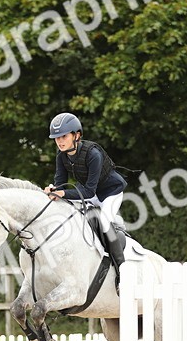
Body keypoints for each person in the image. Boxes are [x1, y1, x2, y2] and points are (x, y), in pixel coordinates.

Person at [42, 112, 128, 281]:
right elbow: (60, 183)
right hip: (91, 193)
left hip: (111, 192)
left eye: (64, 136)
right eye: (56, 138)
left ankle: (122, 271)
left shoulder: (93, 154)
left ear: (77, 135)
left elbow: (87, 192)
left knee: (103, 221)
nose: (59, 141)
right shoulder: (61, 156)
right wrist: (53, 190)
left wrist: (62, 193)